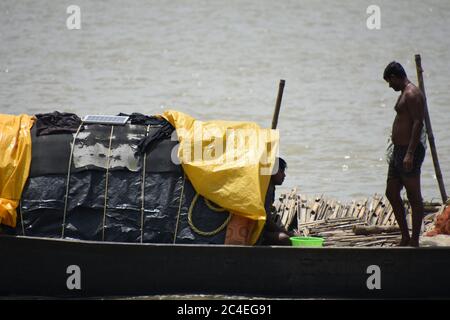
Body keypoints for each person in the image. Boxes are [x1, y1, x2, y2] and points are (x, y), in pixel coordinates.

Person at [383, 61, 426, 247]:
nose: (389, 85)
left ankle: (414, 240)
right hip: (398, 151)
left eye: (389, 81)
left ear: (394, 77)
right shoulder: (403, 93)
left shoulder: (412, 93)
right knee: (391, 192)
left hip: (410, 151)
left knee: (414, 196)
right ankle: (405, 236)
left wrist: (409, 153)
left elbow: (418, 123)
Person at [261, 157, 295, 246]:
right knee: (284, 238)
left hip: (263, 229)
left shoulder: (271, 186)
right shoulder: (266, 188)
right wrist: (286, 233)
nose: (284, 175)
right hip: (257, 232)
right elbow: (267, 221)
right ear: (272, 171)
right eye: (281, 171)